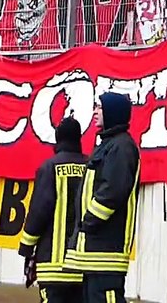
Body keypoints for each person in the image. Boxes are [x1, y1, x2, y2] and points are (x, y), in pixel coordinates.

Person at [65, 92, 140, 303]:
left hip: (107, 250)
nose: (95, 111)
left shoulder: (121, 147)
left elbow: (112, 193)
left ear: (112, 112)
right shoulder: (109, 144)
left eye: (99, 107)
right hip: (96, 250)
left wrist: (89, 221)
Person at [18, 117, 87, 303]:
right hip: (83, 265)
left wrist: (26, 247)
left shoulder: (49, 168)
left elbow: (39, 212)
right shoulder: (90, 167)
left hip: (53, 266)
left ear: (58, 138)